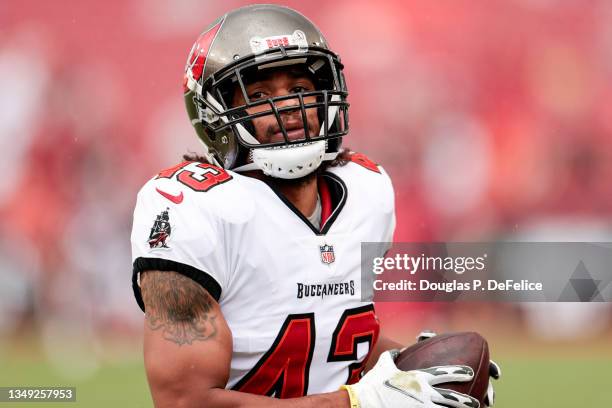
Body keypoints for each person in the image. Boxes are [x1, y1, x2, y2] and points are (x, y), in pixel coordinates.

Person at [130, 5, 496, 407]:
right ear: (214, 114)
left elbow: (336, 344)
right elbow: (185, 401)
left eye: (300, 90)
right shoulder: (190, 209)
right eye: (259, 95)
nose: (288, 107)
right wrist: (358, 402)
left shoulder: (365, 191)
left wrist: (412, 372)